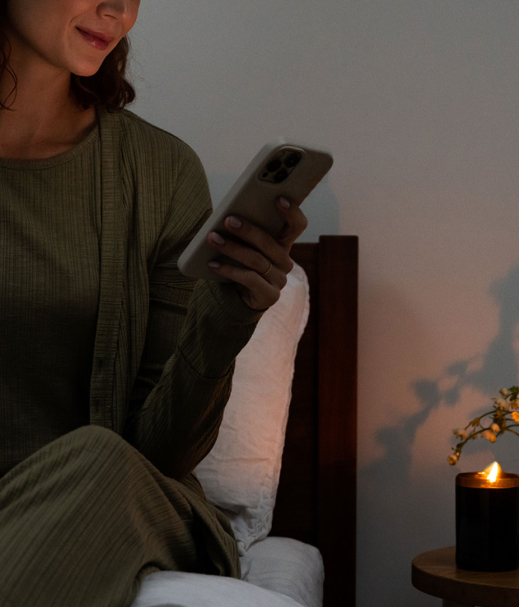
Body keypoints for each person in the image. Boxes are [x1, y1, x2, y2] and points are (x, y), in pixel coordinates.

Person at [0, 1, 308, 605]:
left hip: (119, 496)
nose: (117, 9)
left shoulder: (160, 173)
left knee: (98, 457)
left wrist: (227, 317)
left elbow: (159, 451)